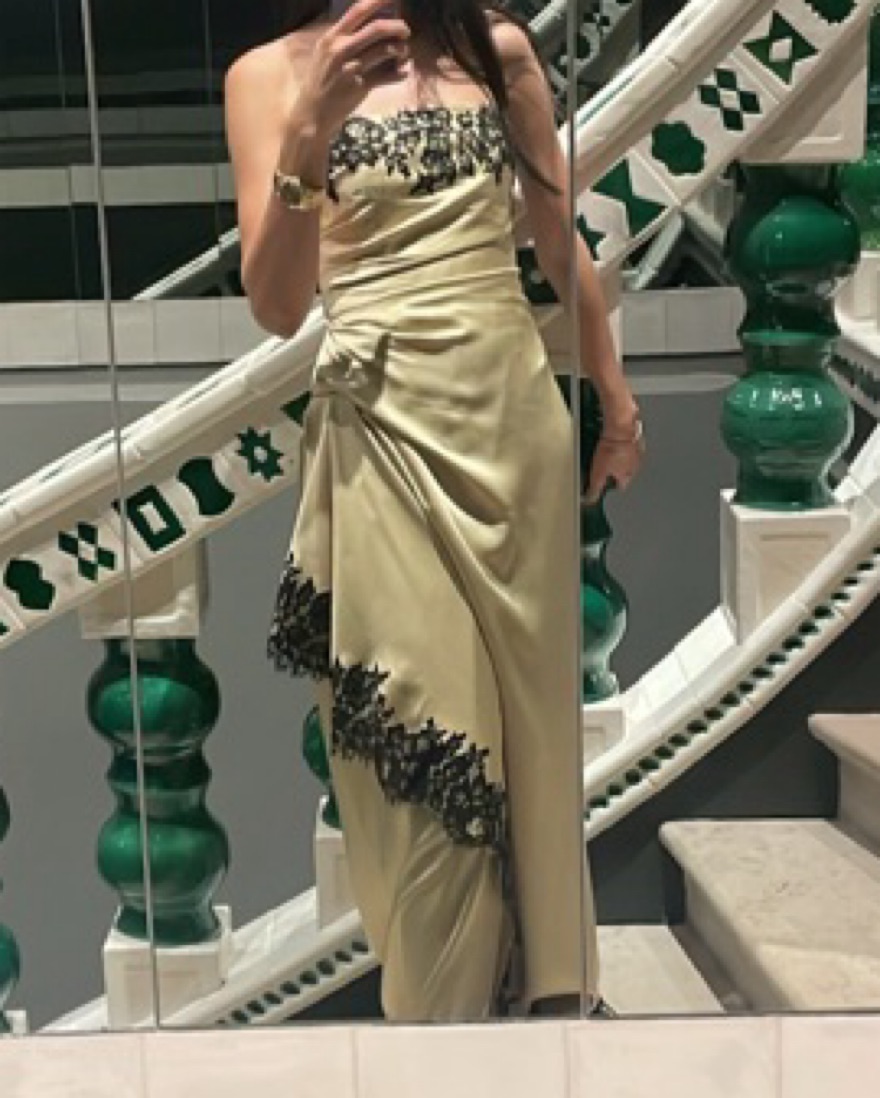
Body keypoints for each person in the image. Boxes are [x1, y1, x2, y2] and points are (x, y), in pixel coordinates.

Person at [224, 0, 644, 1022]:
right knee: (419, 741)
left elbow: (558, 243)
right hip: (379, 434)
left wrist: (615, 399)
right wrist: (310, 129)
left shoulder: (497, 51)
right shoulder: (269, 77)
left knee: (535, 740)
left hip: (512, 432)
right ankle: (439, 1041)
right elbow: (276, 306)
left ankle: (541, 1015)